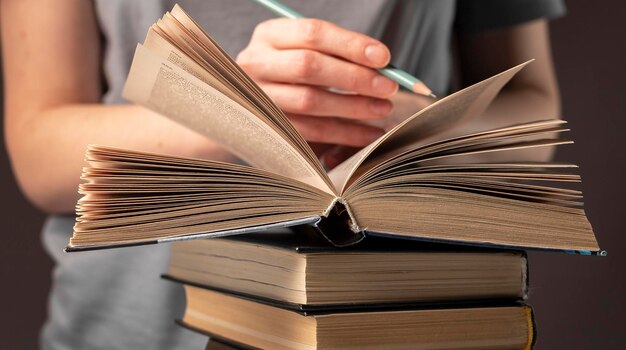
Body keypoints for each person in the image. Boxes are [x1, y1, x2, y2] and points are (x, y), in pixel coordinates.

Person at [1, 0, 565, 348]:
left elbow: (531, 110)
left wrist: (407, 122)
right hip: (134, 329)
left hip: (397, 320)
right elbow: (38, 151)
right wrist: (230, 114)